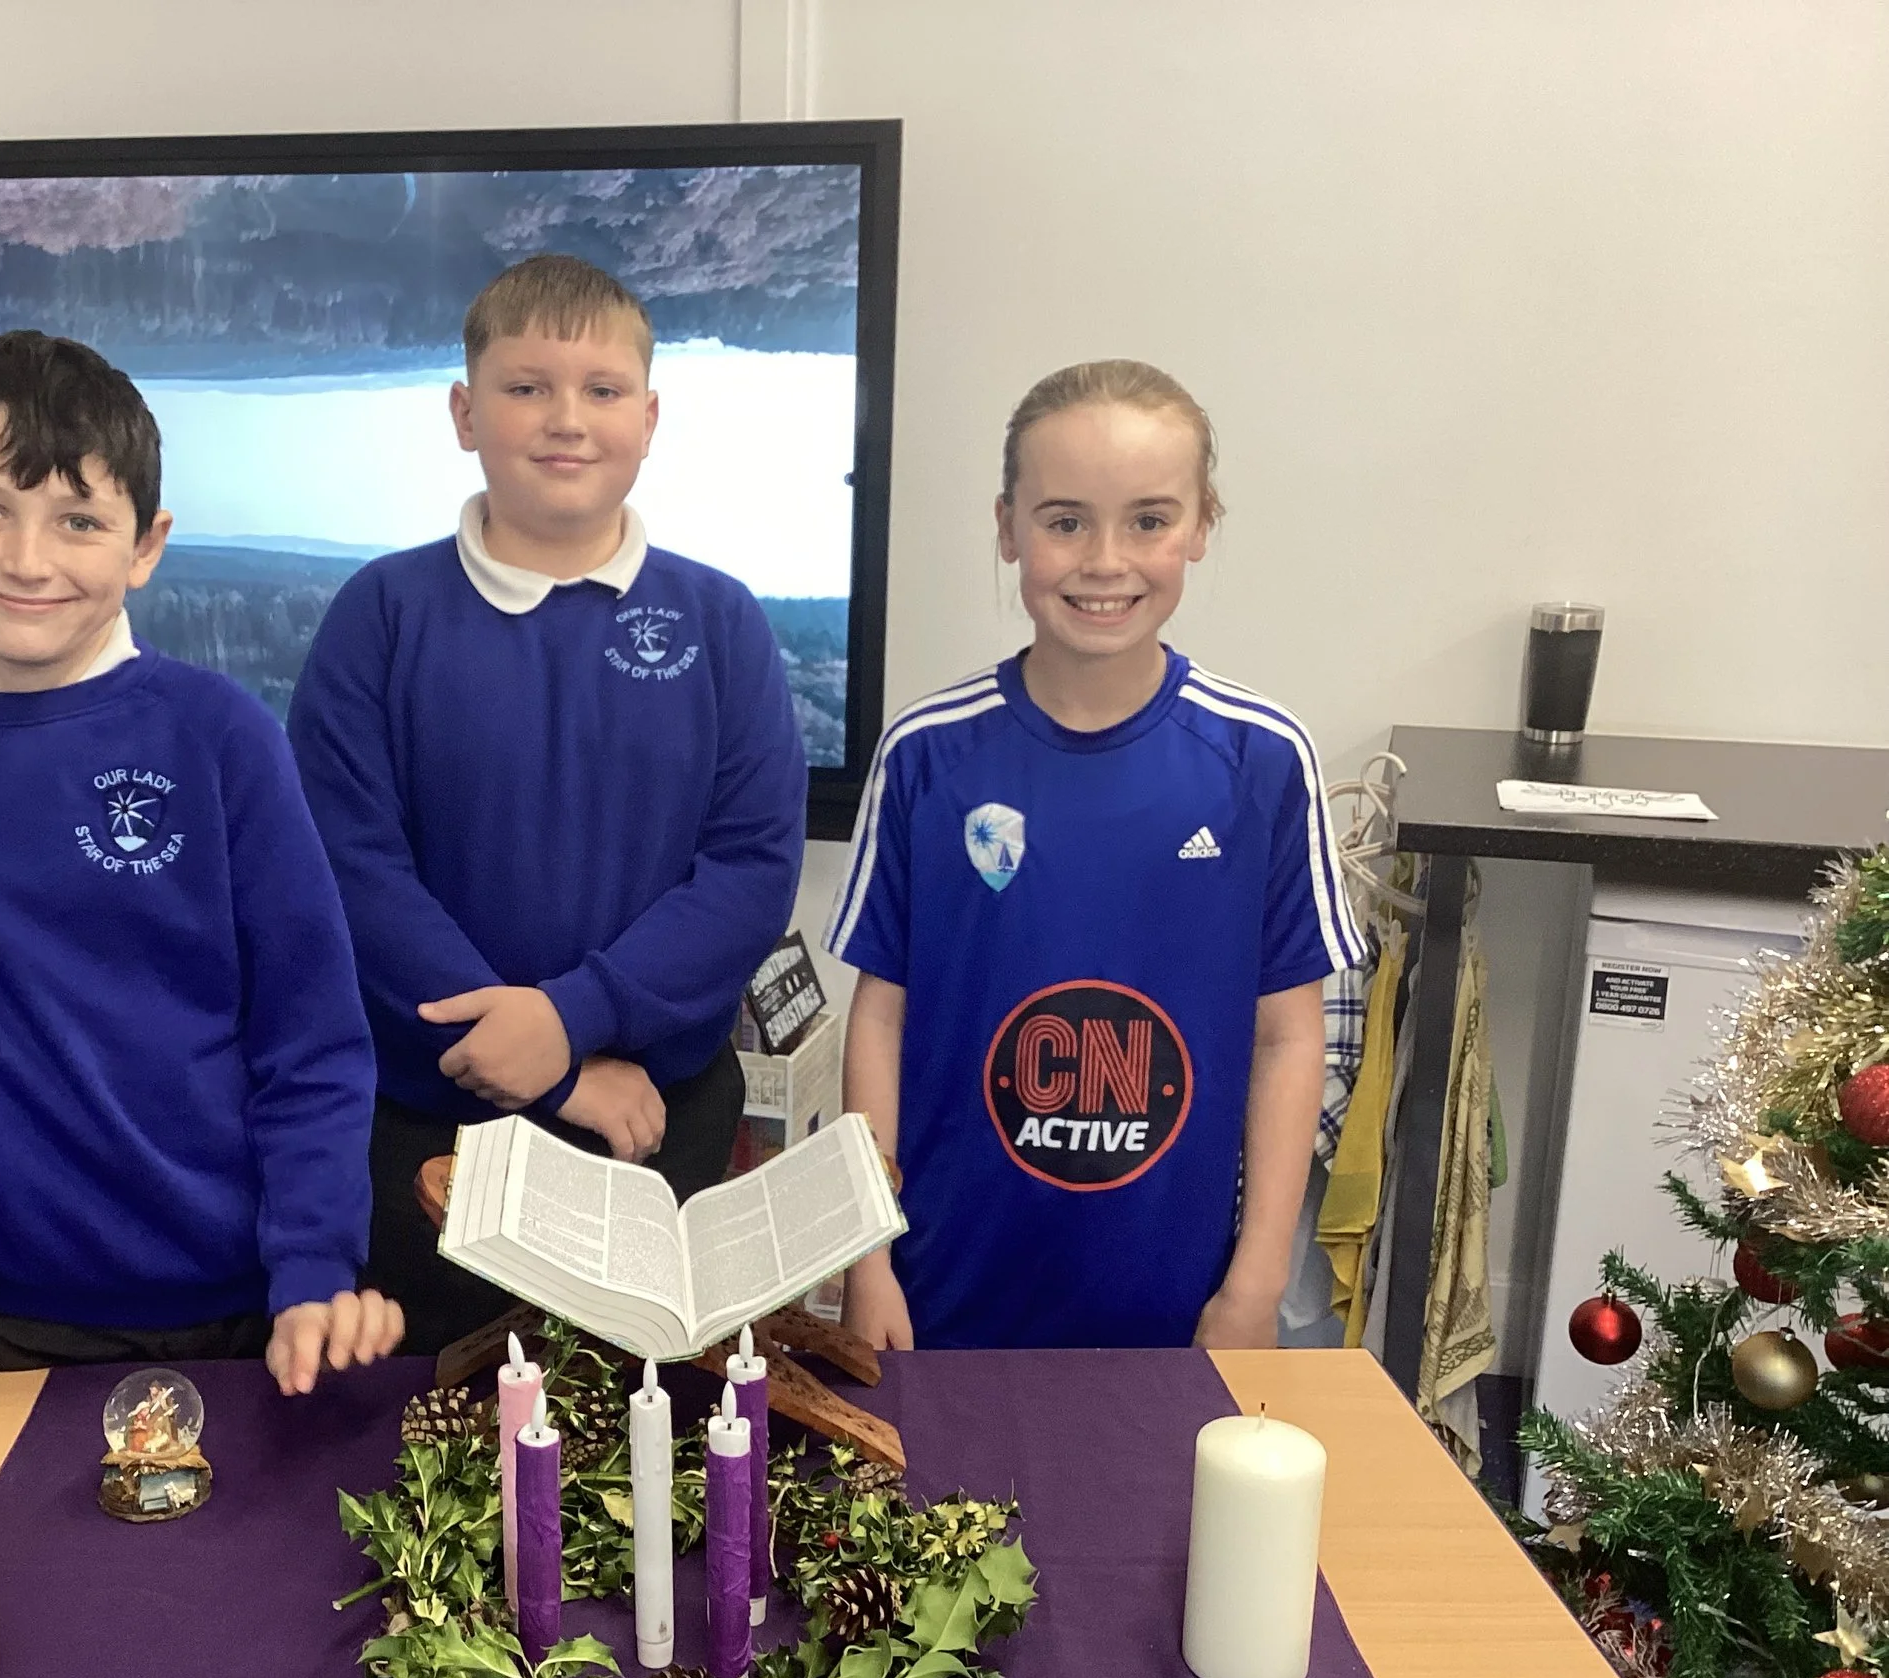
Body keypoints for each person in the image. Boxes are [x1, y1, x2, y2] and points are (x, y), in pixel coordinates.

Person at [0, 329, 401, 1440]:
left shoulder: (220, 734)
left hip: (247, 1303)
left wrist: (313, 1266)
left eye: (78, 520)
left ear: (146, 544)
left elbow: (309, 1039)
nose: (28, 560)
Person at [288, 254, 807, 1354]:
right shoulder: (380, 616)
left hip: (651, 1121)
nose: (566, 419)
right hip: (431, 1130)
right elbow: (348, 870)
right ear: (464, 412)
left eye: (602, 390)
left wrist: (575, 1017)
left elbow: (751, 868)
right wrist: (552, 1068)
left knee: (653, 1418)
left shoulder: (720, 621)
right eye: (526, 387)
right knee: (436, 1420)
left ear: (649, 418)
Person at [826, 360, 1364, 1352]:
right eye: (1065, 521)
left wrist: (1253, 1287)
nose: (1105, 560)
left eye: (1148, 520)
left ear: (1201, 524)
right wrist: (867, 1262)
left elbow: (1289, 1042)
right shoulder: (926, 756)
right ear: (1007, 527)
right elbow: (881, 1020)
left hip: (1177, 1309)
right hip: (943, 1294)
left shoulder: (1261, 760)